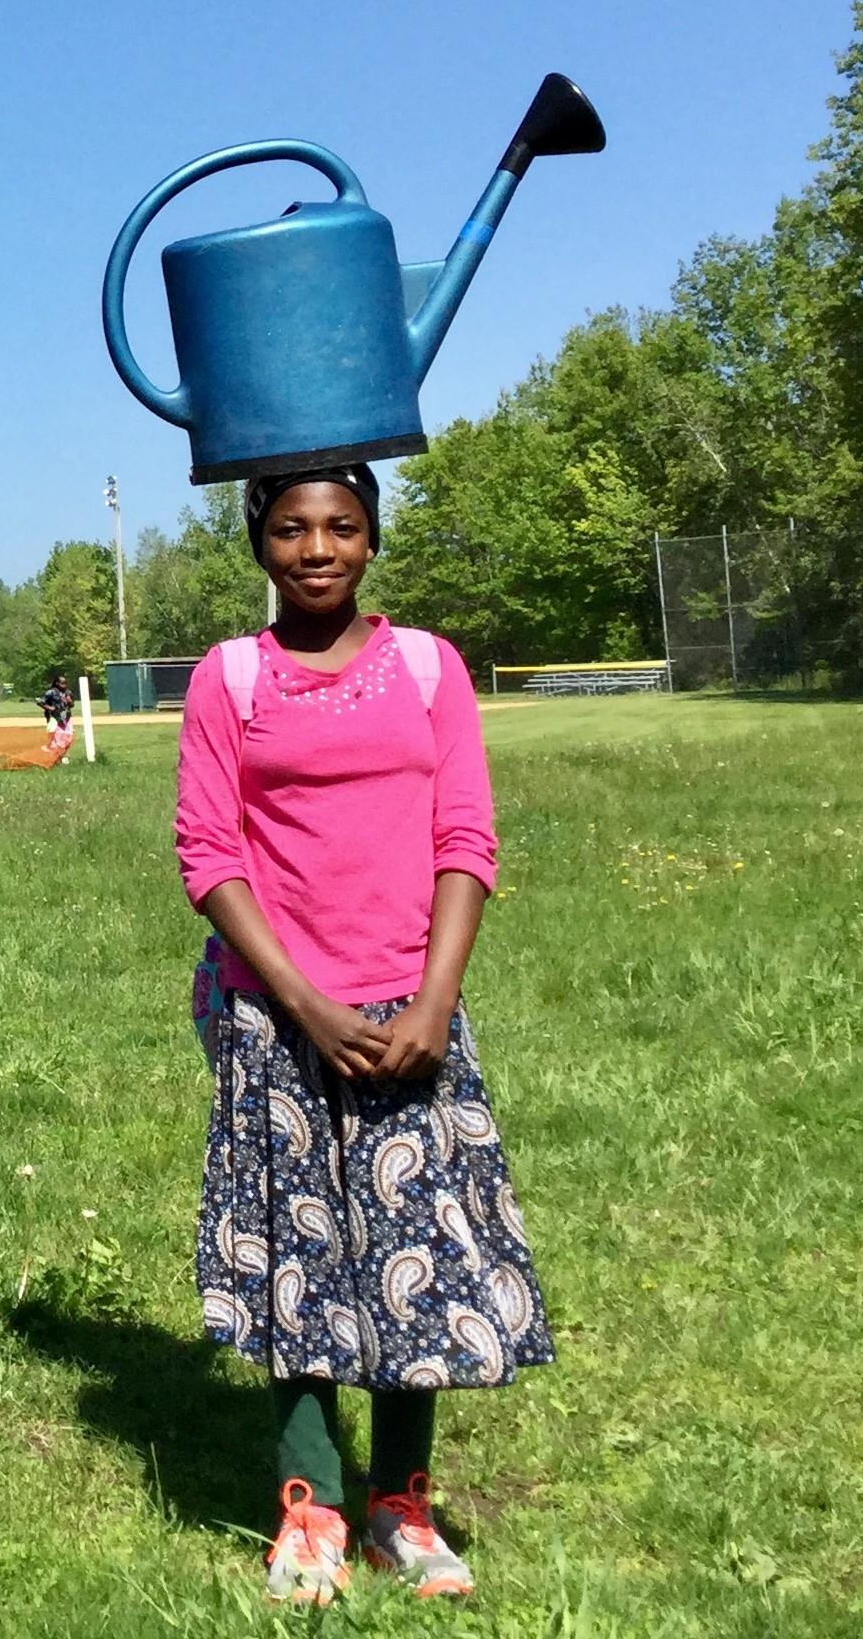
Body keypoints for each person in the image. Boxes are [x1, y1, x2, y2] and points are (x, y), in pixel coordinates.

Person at [175, 465, 552, 1605]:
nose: (318, 547)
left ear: (375, 539)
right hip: (280, 1013)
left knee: (415, 1255)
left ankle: (401, 1503)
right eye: (292, 528)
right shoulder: (228, 677)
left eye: (342, 525)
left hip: (410, 1011)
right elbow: (209, 853)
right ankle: (311, 1508)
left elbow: (466, 834)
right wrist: (304, 1003)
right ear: (259, 543)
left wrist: (431, 1002)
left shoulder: (430, 667)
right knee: (302, 1262)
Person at [38, 674, 74, 766]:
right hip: (55, 717)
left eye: (66, 683)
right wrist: (50, 708)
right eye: (62, 683)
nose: (64, 685)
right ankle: (56, 758)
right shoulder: (51, 692)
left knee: (68, 737)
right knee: (56, 737)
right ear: (57, 683)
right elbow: (40, 702)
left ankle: (61, 755)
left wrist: (70, 702)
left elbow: (71, 705)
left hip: (66, 717)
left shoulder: (68, 692)